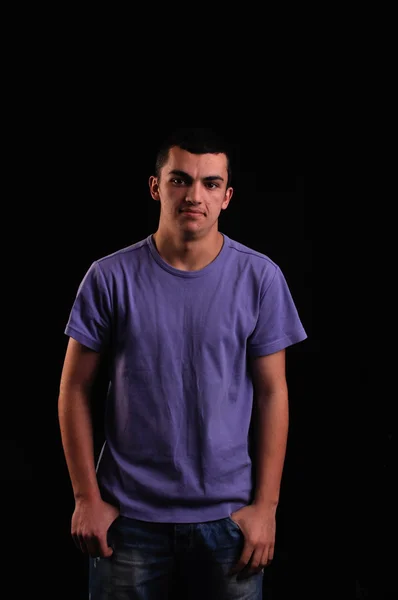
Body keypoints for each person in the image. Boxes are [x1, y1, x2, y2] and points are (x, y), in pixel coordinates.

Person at [58, 127, 307, 600]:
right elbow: (73, 389)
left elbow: (274, 393)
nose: (195, 195)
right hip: (128, 522)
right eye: (180, 180)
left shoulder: (260, 278)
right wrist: (86, 499)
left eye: (210, 183)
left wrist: (266, 508)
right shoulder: (109, 277)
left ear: (227, 196)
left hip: (228, 523)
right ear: (156, 187)